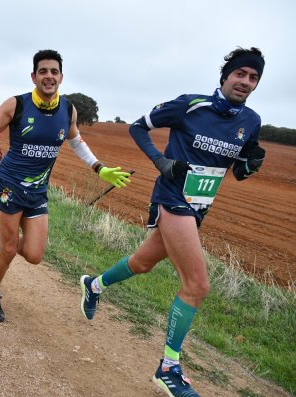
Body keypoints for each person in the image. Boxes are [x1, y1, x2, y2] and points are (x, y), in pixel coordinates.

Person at [79, 47, 266, 397]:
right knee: (197, 285)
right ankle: (168, 368)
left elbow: (239, 171)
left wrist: (251, 165)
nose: (246, 81)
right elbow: (138, 127)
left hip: (198, 208)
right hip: (172, 200)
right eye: (240, 74)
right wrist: (161, 162)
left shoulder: (251, 121)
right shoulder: (190, 106)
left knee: (142, 262)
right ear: (225, 76)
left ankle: (94, 285)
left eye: (253, 77)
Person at [0, 49, 131, 323]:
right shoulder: (17, 105)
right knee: (10, 249)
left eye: (54, 71)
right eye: (43, 71)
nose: (48, 76)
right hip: (9, 187)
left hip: (38, 192)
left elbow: (75, 140)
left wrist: (100, 168)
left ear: (61, 76)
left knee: (36, 255)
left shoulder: (67, 109)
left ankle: (0, 232)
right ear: (33, 77)